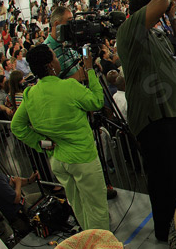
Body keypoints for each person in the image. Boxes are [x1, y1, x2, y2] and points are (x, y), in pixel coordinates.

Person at [116, 0, 176, 241]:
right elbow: (160, 0)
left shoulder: (159, 35)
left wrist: (173, 17)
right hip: (155, 120)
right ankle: (166, 231)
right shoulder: (129, 32)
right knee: (163, 182)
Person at [11, 44, 108, 231]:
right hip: (83, 159)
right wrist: (89, 69)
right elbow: (97, 101)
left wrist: (42, 144)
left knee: (78, 205)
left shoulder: (31, 94)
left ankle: (89, 246)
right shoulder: (69, 87)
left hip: (58, 160)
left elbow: (17, 126)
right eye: (55, 56)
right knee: (96, 208)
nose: (58, 60)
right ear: (50, 65)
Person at [0, 134, 39, 231]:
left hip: (21, 206)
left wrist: (29, 180)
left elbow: (12, 182)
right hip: (19, 215)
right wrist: (18, 184)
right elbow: (16, 198)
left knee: (42, 197)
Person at [43, 5, 84, 80]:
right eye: (69, 22)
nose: (72, 26)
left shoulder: (68, 42)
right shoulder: (45, 50)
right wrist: (79, 75)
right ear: (57, 25)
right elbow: (51, 85)